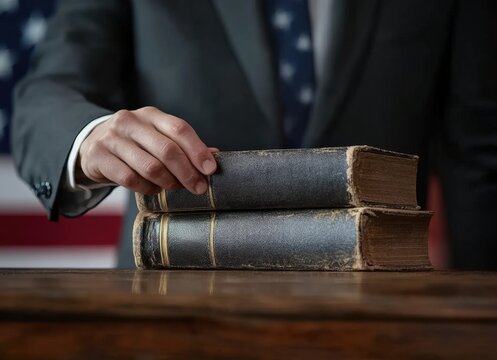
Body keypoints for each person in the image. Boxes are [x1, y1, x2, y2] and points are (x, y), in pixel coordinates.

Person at [12, 0, 497, 269]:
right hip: (170, 315)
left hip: (381, 322)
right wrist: (91, 136)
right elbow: (49, 91)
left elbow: (480, 157)